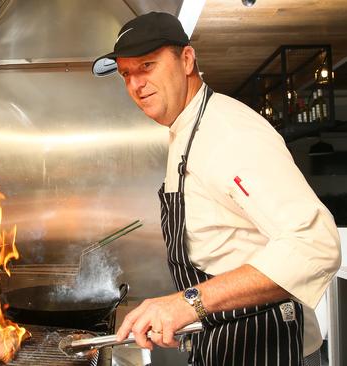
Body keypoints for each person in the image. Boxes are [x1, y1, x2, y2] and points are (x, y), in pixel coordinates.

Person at [92, 12, 341, 365]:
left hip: (270, 347)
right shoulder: (187, 130)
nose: (135, 84)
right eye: (126, 74)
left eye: (147, 65)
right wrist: (187, 313)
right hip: (228, 342)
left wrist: (188, 302)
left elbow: (316, 246)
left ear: (187, 60)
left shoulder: (227, 132)